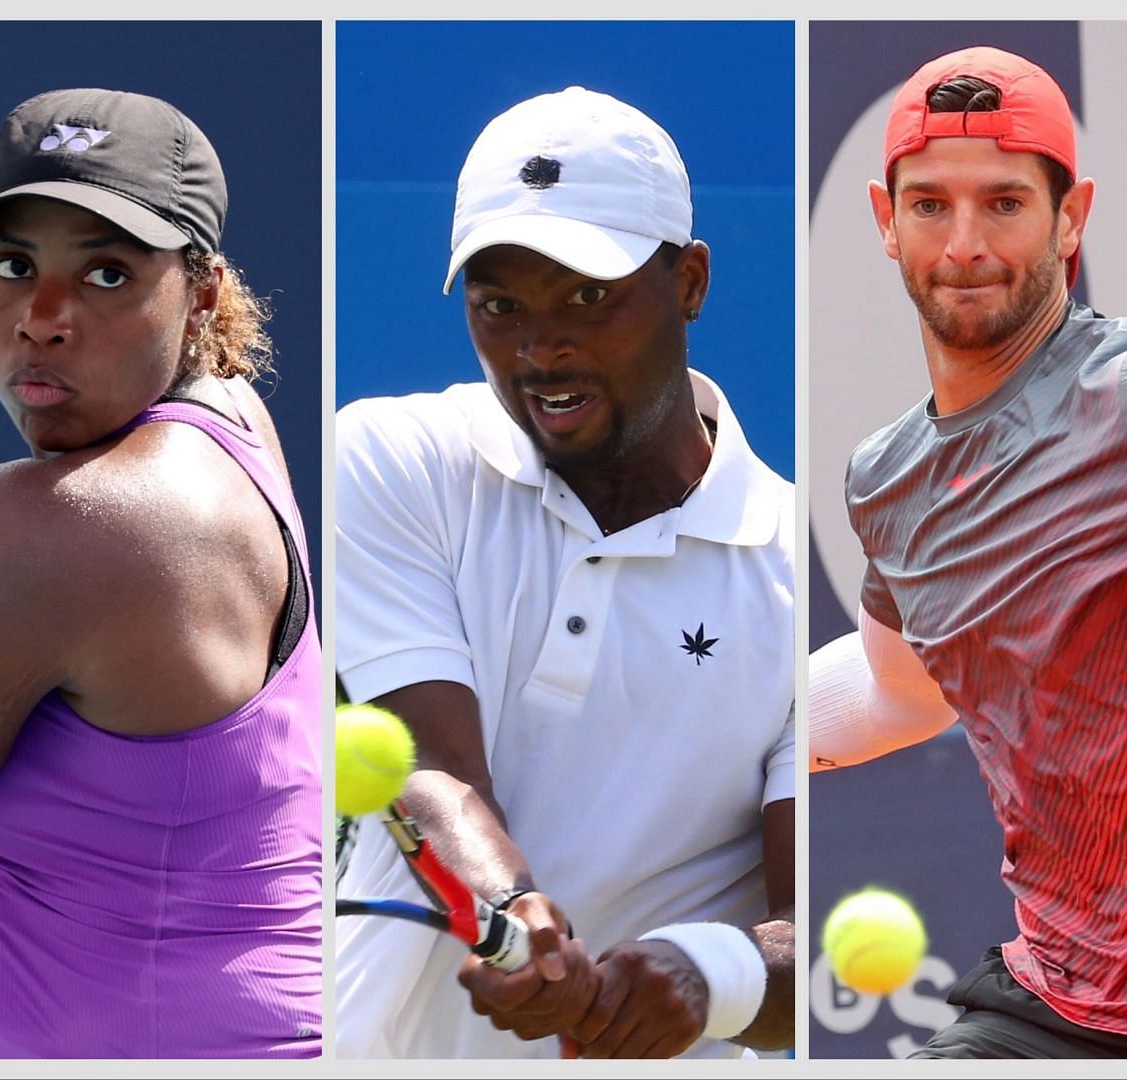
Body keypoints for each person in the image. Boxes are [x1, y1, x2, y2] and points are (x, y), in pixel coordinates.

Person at [808, 47, 1127, 1059]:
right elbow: (903, 692)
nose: (965, 243)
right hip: (1056, 999)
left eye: (1004, 203)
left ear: (1072, 217)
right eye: (930, 205)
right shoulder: (886, 479)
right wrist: (723, 725)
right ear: (886, 221)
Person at [332, 86, 795, 1060]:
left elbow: (818, 941)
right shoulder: (389, 456)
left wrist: (711, 975)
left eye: (589, 296)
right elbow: (429, 768)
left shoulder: (799, 570)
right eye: (500, 306)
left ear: (690, 282)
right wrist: (512, 914)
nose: (540, 349)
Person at [0, 88, 323, 1058]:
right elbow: (86, 817)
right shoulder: (232, 417)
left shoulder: (56, 527)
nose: (42, 318)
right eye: (12, 264)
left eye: (107, 273)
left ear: (201, 292)